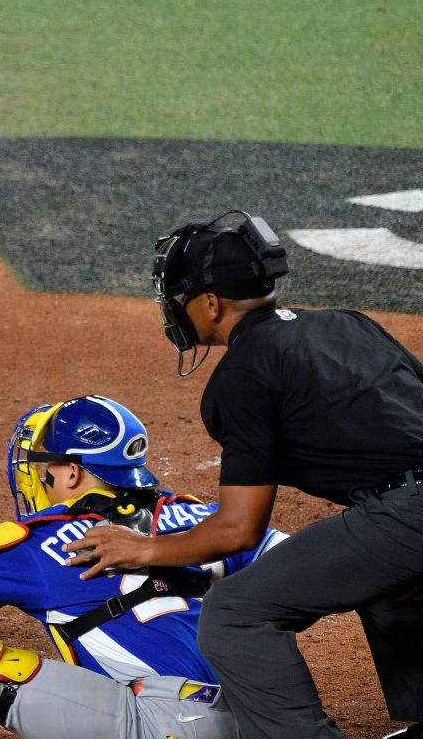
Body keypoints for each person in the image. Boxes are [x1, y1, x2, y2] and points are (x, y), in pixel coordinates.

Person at [64, 212, 423, 738]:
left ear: (210, 304)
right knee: (388, 575)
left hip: (409, 512)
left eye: (179, 298)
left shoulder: (243, 374)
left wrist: (144, 550)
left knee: (235, 614)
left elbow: (239, 530)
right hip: (405, 510)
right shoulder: (349, 323)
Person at [0, 395, 288, 739]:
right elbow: (302, 564)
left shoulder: (43, 545)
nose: (39, 481)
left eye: (46, 472)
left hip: (169, 727)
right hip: (261, 718)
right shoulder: (204, 520)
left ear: (73, 473)